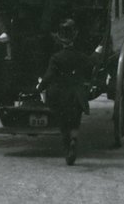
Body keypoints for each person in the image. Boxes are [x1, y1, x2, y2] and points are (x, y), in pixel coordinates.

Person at [38, 18, 103, 165]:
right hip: (76, 94)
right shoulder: (80, 56)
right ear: (75, 37)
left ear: (60, 40)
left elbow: (49, 76)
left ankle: (67, 146)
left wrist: (40, 87)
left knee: (63, 123)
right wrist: (98, 51)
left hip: (59, 95)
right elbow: (92, 62)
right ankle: (74, 139)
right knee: (75, 120)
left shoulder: (56, 58)